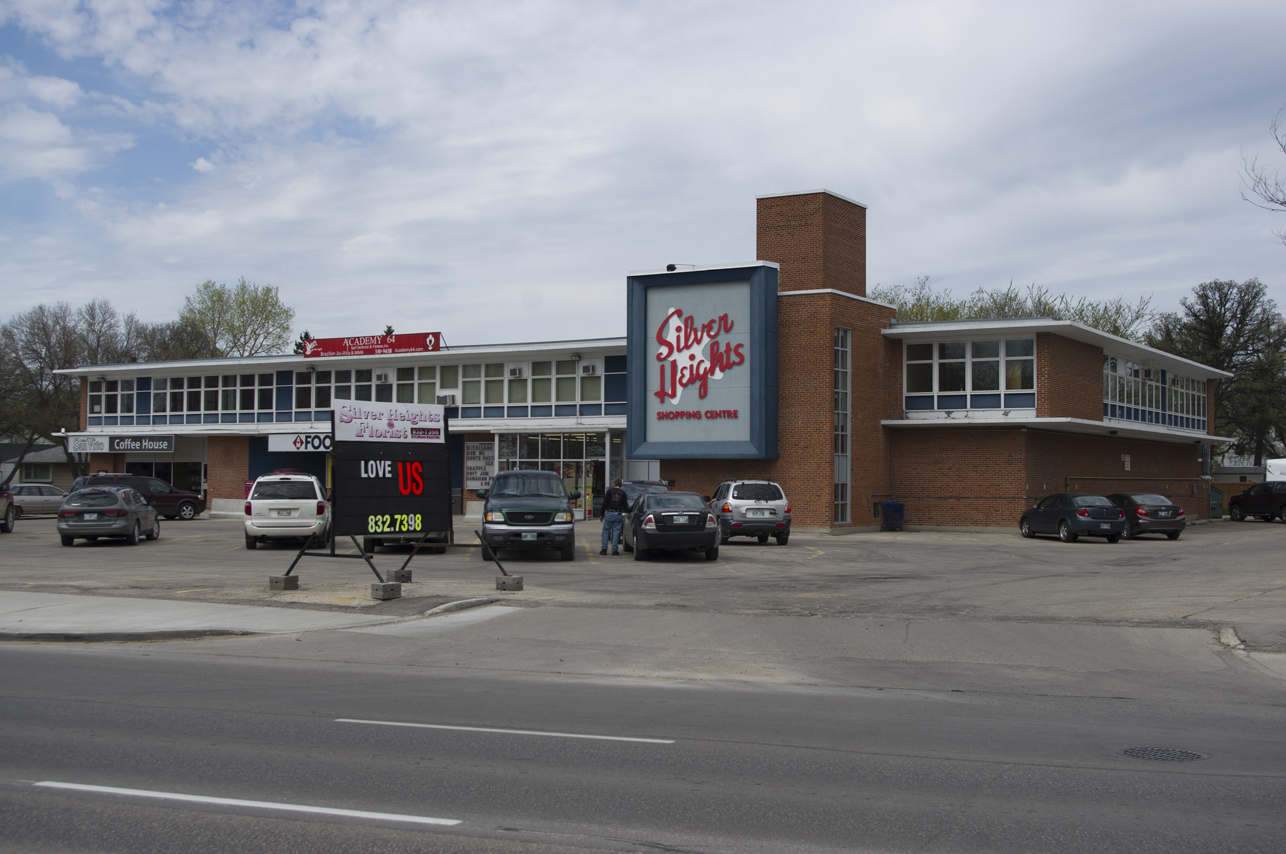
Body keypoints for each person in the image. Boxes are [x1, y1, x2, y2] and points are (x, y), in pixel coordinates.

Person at [600, 478, 630, 555]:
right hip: (618, 513)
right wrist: (627, 513)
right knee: (616, 532)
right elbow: (625, 505)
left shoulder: (609, 492)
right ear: (621, 485)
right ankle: (614, 550)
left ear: (614, 484)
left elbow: (604, 503)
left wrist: (601, 514)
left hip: (609, 513)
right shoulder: (623, 493)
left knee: (606, 531)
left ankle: (604, 549)